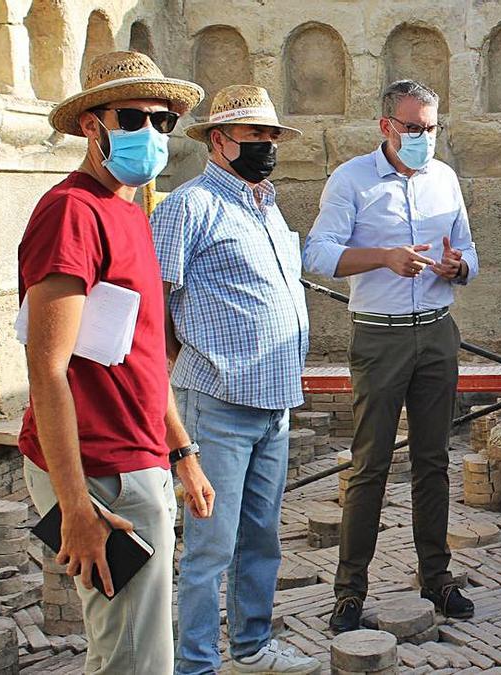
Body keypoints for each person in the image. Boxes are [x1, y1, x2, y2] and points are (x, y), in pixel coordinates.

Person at [17, 51, 214, 674]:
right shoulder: (71, 212)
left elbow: (140, 353)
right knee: (131, 659)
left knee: (142, 645)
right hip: (99, 472)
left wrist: (180, 451)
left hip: (136, 459)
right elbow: (47, 368)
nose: (152, 134)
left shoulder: (129, 211)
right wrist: (74, 506)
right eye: (134, 117)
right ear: (91, 127)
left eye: (164, 122)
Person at [302, 80, 479, 633]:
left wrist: (458, 268)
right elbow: (317, 253)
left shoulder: (445, 179)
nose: (424, 138)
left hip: (436, 332)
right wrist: (383, 257)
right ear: (386, 127)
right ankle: (350, 589)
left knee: (434, 461)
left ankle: (437, 577)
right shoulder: (352, 179)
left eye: (431, 128)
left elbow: (468, 249)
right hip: (379, 337)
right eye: (413, 128)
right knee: (370, 465)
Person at [151, 85, 316, 675]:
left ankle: (251, 647)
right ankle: (196, 665)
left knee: (261, 541)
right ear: (219, 140)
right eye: (253, 137)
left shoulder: (267, 205)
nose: (265, 147)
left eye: (271, 136)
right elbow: (155, 305)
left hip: (275, 401)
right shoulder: (186, 207)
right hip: (216, 401)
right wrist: (181, 368)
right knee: (208, 550)